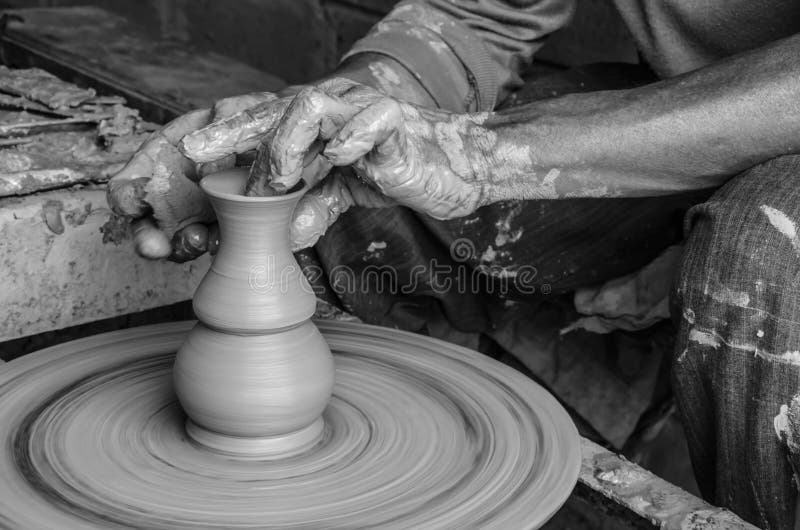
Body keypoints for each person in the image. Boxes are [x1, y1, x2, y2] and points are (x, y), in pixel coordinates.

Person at [107, 1, 800, 527]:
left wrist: (484, 154)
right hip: (686, 99)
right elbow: (481, 14)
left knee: (760, 257)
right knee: (338, 207)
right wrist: (337, 115)